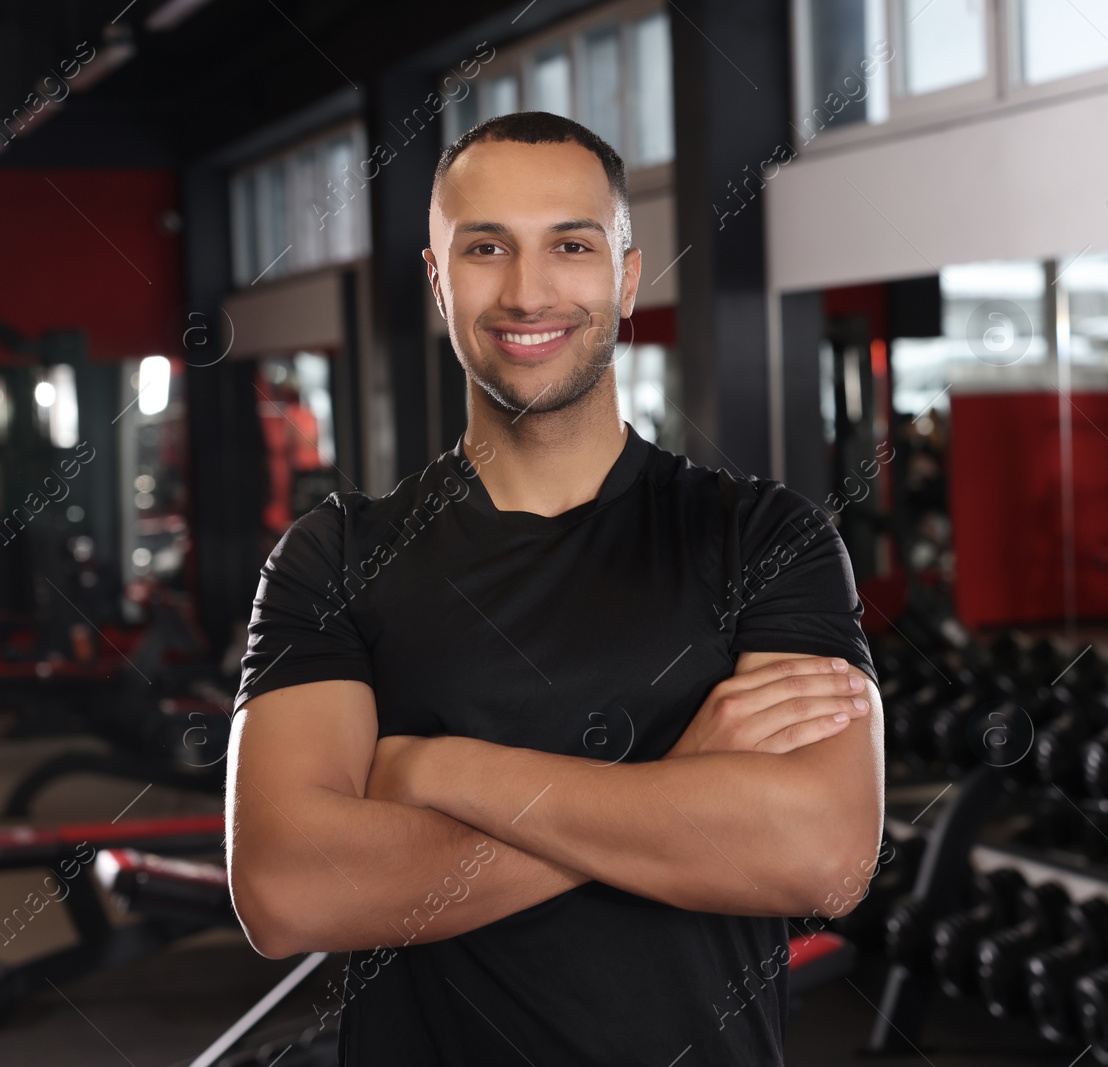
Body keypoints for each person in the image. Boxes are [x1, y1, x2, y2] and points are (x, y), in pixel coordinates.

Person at [224, 111, 885, 1066]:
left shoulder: (764, 538)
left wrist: (432, 770)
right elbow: (289, 892)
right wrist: (674, 790)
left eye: (570, 245)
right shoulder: (335, 556)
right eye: (486, 246)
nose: (528, 290)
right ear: (437, 278)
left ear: (624, 277)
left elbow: (824, 857)